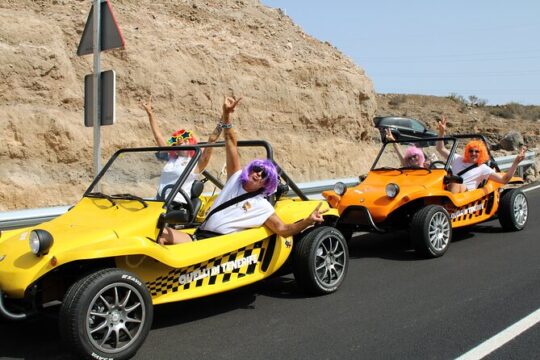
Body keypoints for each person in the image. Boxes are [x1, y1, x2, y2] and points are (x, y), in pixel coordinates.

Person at [158, 96, 327, 245]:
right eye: (256, 169)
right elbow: (231, 142)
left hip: (216, 245)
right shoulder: (235, 178)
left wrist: (308, 221)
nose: (258, 174)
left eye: (264, 175)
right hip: (200, 236)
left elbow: (283, 229)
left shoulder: (262, 206)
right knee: (157, 235)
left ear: (267, 183)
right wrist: (227, 115)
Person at [141, 95, 240, 203]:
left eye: (185, 139)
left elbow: (212, 139)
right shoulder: (171, 159)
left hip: (177, 206)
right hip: (158, 203)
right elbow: (158, 137)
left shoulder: (195, 164)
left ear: (191, 144)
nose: (180, 141)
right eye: (177, 140)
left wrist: (225, 115)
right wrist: (150, 114)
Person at [436, 116, 527, 193]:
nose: (473, 153)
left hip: (466, 197)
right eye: (471, 151)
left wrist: (515, 163)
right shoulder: (457, 158)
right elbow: (440, 149)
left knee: (455, 183)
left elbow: (504, 179)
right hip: (449, 191)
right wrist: (441, 133)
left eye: (477, 151)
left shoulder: (483, 168)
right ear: (467, 151)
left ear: (481, 154)